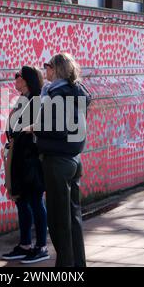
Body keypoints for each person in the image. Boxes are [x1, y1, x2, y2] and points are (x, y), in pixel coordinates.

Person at [32, 53, 92, 267]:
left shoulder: (56, 94)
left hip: (57, 161)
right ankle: (78, 264)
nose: (44, 70)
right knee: (73, 219)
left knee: (58, 222)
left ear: (56, 70)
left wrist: (35, 131)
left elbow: (55, 129)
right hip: (74, 159)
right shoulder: (76, 91)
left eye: (47, 66)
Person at [1, 66, 50, 264]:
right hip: (18, 157)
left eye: (18, 76)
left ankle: (41, 247)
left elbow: (35, 131)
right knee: (21, 201)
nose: (15, 79)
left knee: (35, 201)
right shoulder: (23, 100)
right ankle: (25, 244)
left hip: (30, 159)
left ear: (27, 79)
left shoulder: (36, 101)